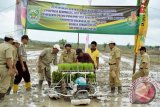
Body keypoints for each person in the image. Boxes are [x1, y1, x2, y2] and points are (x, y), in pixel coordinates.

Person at [0, 35, 15, 100]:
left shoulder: (0, 45)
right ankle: (1, 100)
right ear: (11, 40)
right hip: (4, 67)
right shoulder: (9, 47)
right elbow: (8, 59)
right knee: (4, 85)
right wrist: (11, 68)